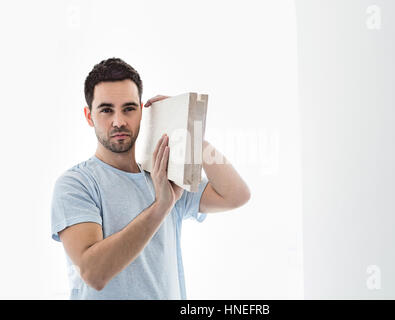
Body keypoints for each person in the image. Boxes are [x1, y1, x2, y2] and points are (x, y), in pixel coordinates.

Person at [50, 57, 251, 299]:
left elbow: (236, 195)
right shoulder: (76, 185)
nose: (119, 121)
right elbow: (94, 274)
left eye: (129, 108)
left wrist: (191, 131)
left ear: (142, 111)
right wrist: (161, 207)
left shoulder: (163, 175)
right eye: (106, 110)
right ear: (89, 115)